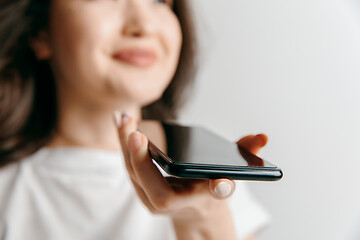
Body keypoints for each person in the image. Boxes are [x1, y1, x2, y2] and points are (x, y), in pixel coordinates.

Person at [0, 0, 269, 239]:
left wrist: (205, 221)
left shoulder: (215, 186)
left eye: (159, 1)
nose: (143, 25)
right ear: (39, 31)